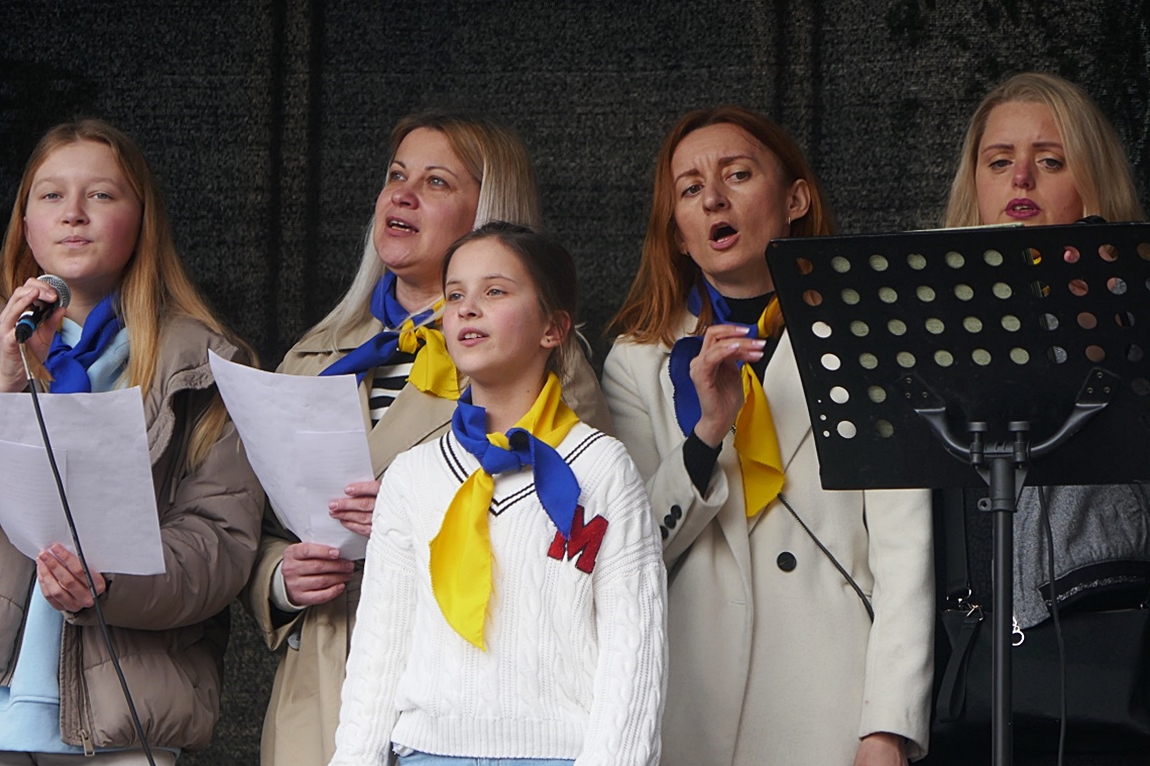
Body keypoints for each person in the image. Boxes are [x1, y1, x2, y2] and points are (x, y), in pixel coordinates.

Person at [245, 112, 613, 766]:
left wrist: (414, 512)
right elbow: (255, 528)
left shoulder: (547, 362)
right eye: (395, 176)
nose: (402, 195)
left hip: (468, 709)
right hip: (319, 702)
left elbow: (580, 527)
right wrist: (280, 577)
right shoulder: (313, 357)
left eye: (436, 181)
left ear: (487, 217)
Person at [601, 106, 934, 765]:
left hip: (827, 704)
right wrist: (705, 434)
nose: (713, 198)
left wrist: (889, 726)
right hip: (685, 706)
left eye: (738, 174)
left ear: (796, 201)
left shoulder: (869, 343)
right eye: (690, 189)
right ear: (677, 232)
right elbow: (630, 552)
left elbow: (905, 553)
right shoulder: (634, 360)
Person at [328, 221, 666, 766]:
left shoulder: (602, 466)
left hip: (558, 754)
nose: (466, 308)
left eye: (495, 291)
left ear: (552, 329)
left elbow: (636, 650)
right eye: (455, 294)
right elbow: (378, 652)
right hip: (426, 753)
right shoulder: (414, 475)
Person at [0, 119, 263, 763]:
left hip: (127, 705)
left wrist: (110, 582)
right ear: (26, 225)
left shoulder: (206, 364)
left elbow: (219, 547)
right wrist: (7, 382)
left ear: (142, 221)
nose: (74, 215)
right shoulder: (4, 346)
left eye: (102, 195)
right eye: (51, 195)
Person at [942, 69, 1149, 686]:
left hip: (1098, 637)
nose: (1021, 179)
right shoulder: (934, 316)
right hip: (963, 651)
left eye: (1050, 161)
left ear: (1092, 180)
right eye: (999, 161)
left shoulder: (1132, 300)